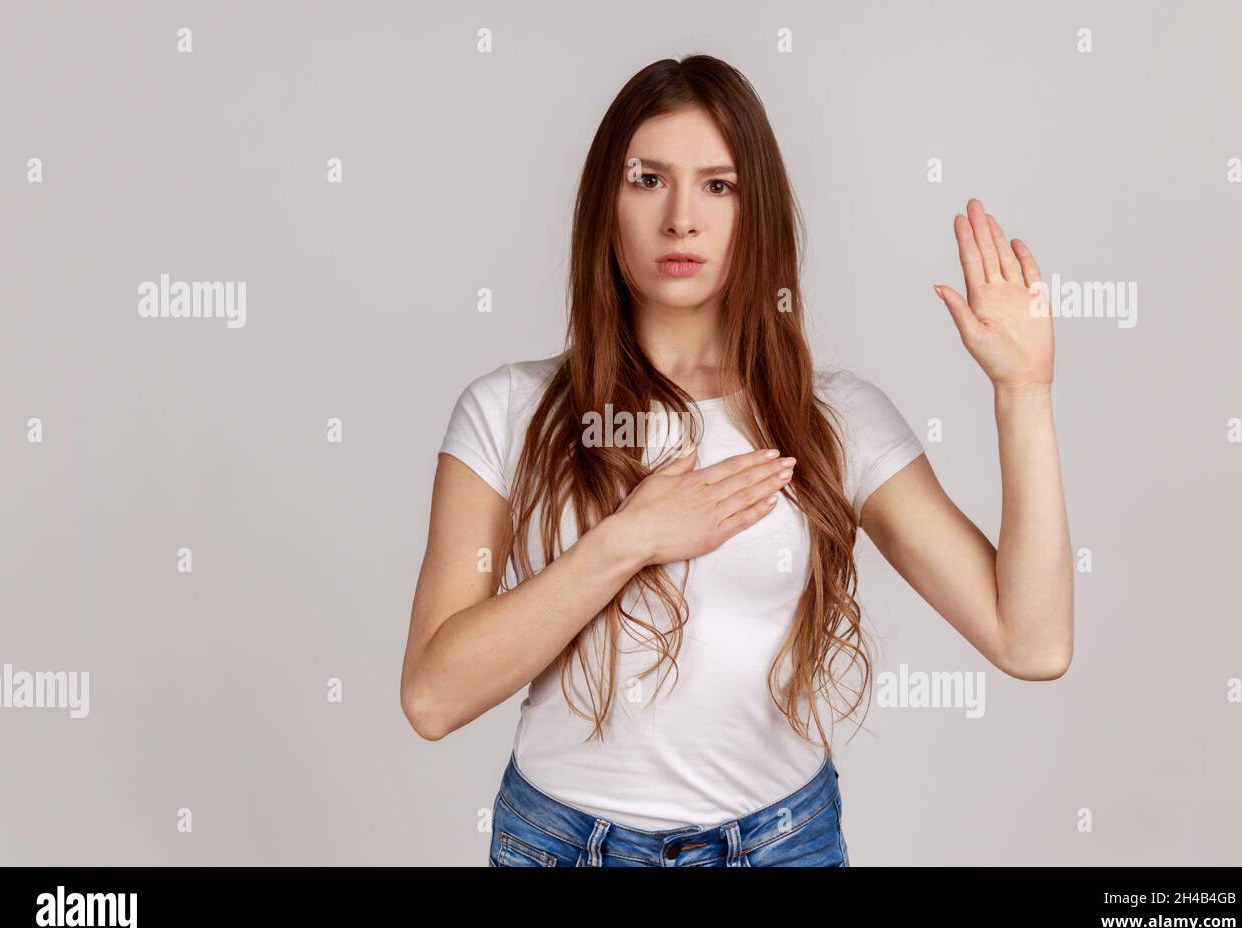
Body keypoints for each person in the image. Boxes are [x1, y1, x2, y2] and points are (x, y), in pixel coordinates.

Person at [400, 54, 1073, 867]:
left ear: (757, 215)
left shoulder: (835, 419)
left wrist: (1025, 392)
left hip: (782, 844)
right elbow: (433, 697)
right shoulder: (508, 411)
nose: (682, 218)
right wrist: (629, 540)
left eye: (720, 186)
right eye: (648, 179)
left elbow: (1031, 643)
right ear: (603, 207)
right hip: (564, 846)